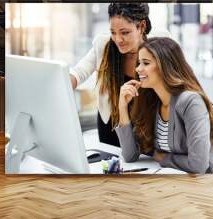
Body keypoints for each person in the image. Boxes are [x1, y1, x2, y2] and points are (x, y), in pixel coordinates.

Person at [115, 37, 213, 174]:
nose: (138, 68)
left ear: (165, 66)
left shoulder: (191, 102)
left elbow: (198, 166)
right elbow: (130, 156)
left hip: (203, 185)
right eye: (139, 63)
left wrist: (164, 158)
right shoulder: (152, 103)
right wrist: (122, 107)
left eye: (145, 63)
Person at [70, 3, 167, 147]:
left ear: (141, 26)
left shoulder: (160, 44)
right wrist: (61, 85)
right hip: (111, 125)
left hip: (147, 126)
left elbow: (178, 79)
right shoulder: (103, 46)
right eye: (113, 32)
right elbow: (78, 72)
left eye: (125, 32)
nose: (118, 39)